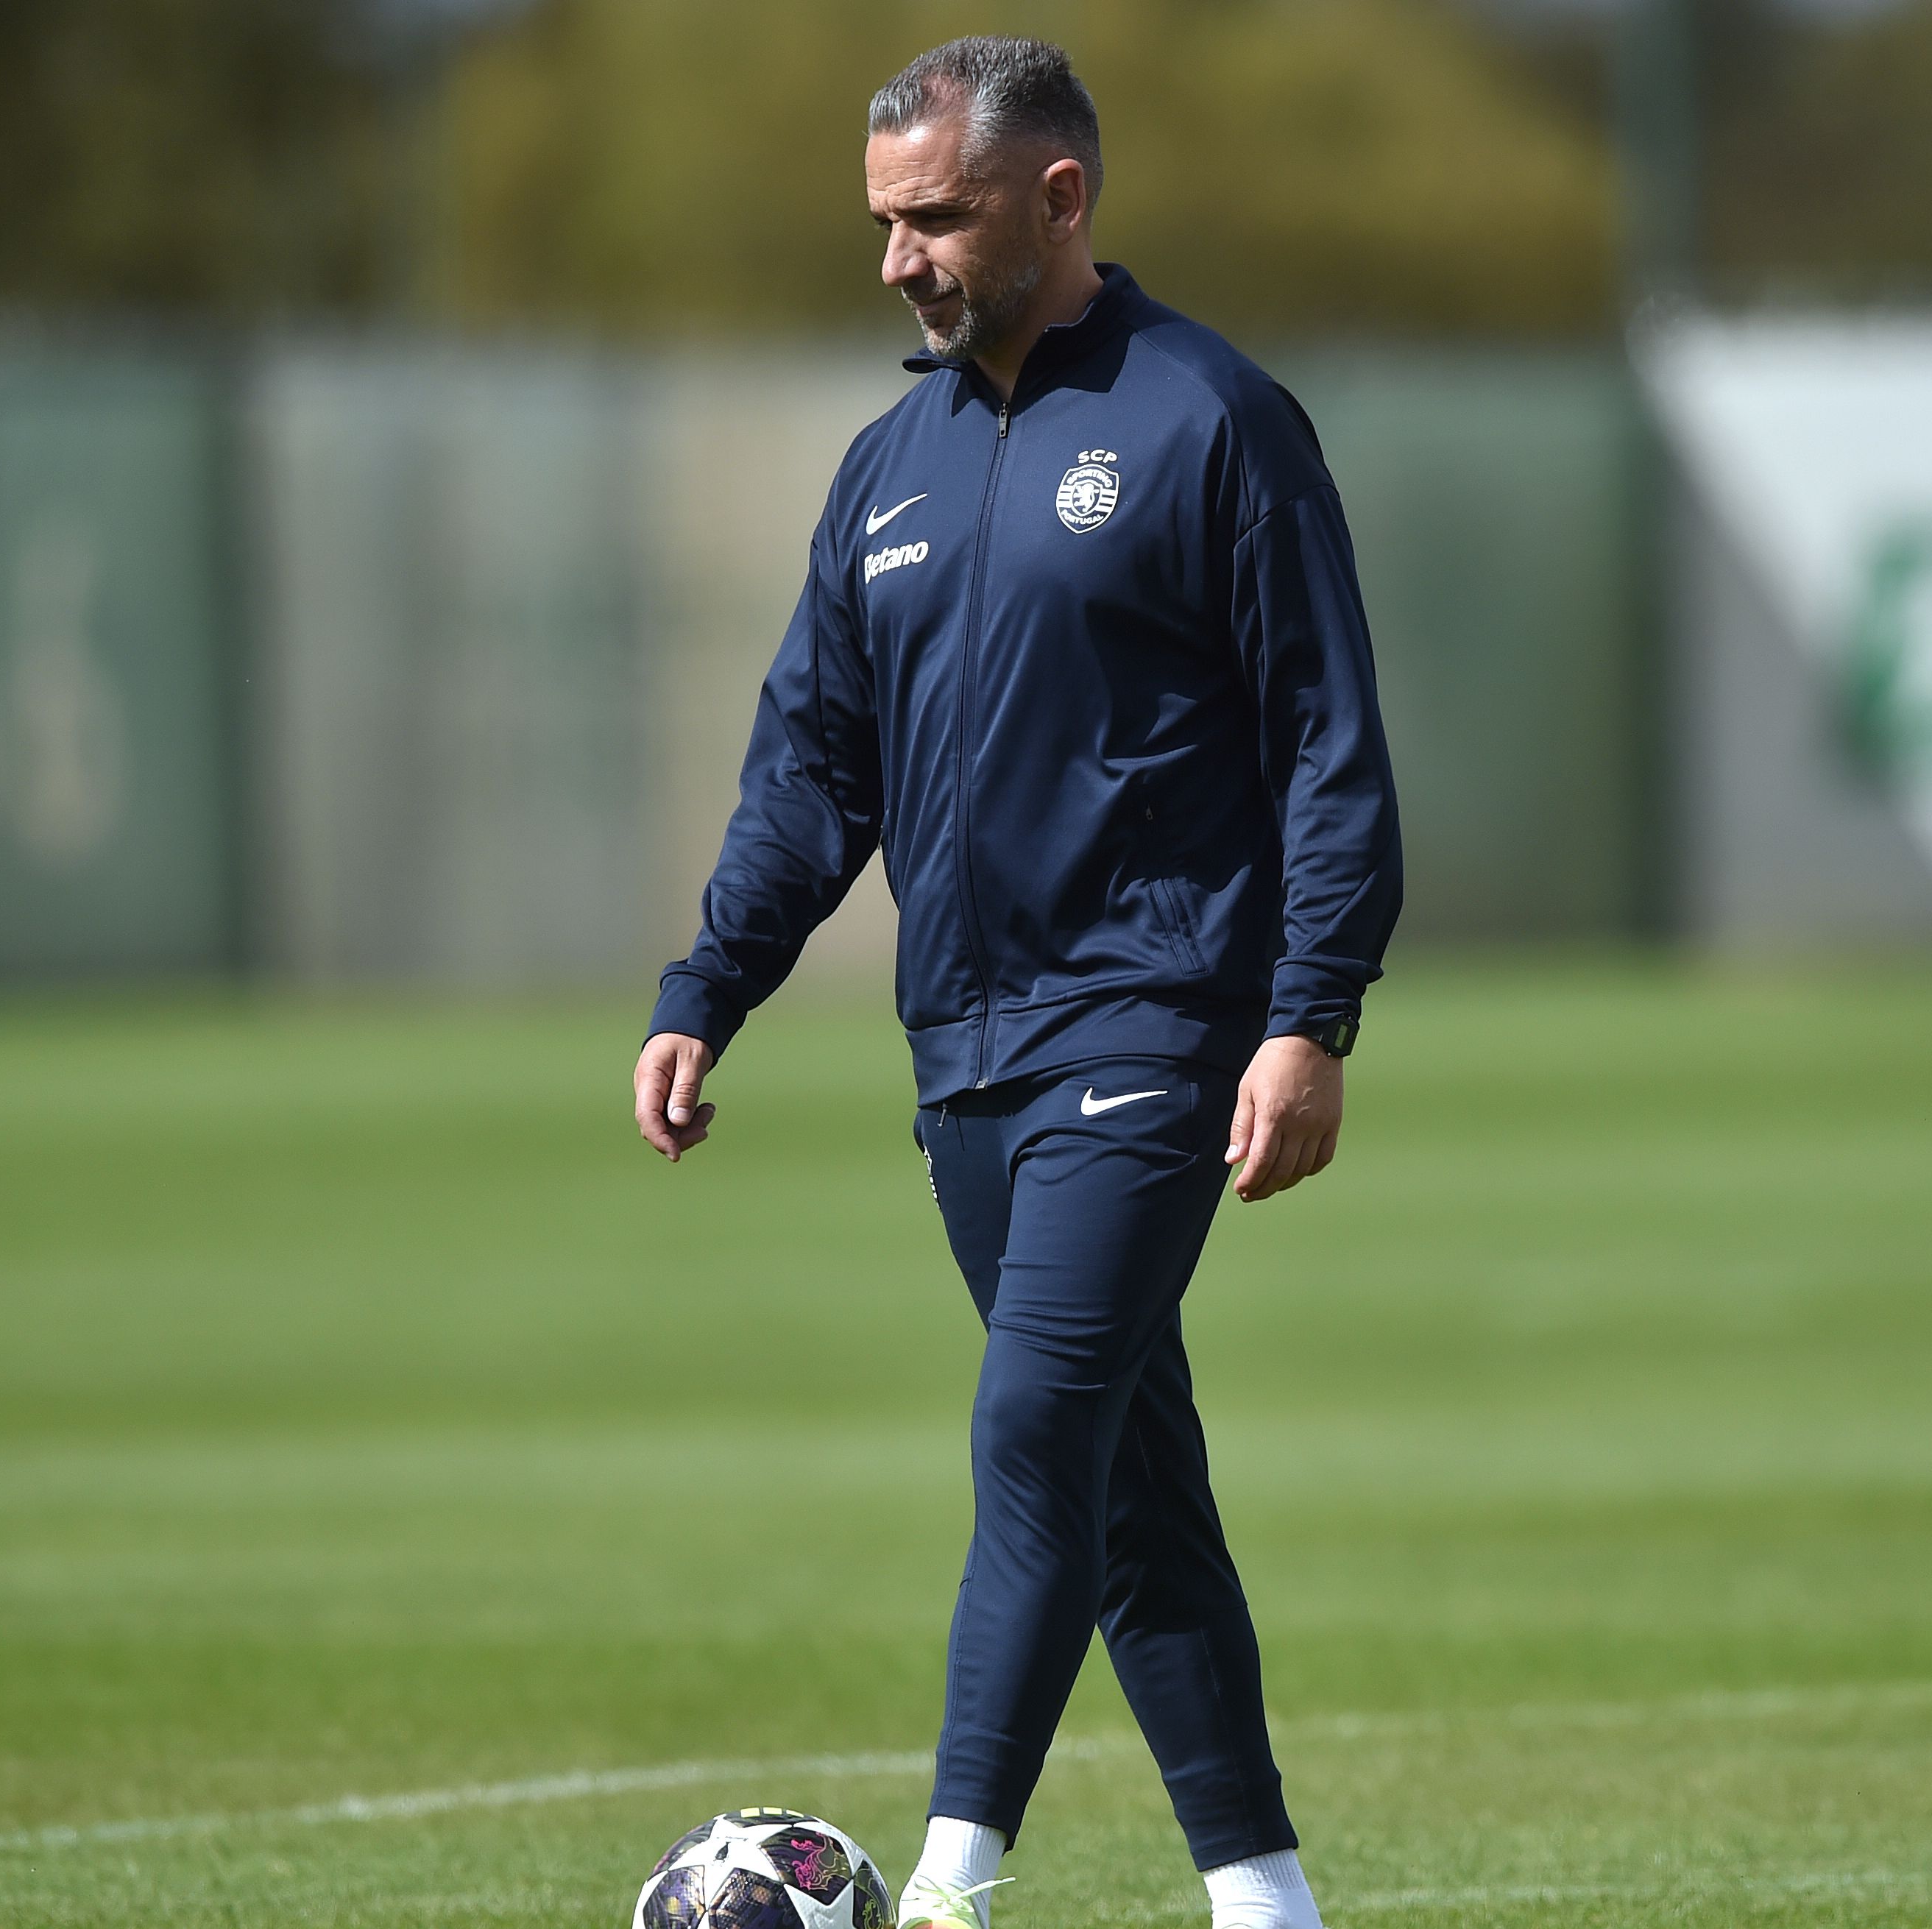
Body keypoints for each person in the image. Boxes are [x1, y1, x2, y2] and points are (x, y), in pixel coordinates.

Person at [631, 37, 1401, 1929]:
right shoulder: (884, 472)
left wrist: (1306, 1015)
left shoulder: (1210, 420)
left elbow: (1328, 745)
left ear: (1057, 200)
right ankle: (1266, 1904)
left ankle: (942, 1889)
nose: (898, 258)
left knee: (1033, 1435)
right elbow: (813, 770)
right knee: (1129, 1492)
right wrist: (707, 985)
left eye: (936, 217)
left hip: (1151, 1025)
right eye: (882, 222)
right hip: (962, 1057)